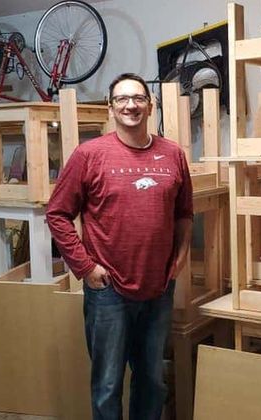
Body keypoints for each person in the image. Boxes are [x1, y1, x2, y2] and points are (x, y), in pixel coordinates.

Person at [46, 73, 193, 420]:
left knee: (152, 381)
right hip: (107, 289)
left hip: (158, 288)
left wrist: (182, 254)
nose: (131, 105)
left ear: (150, 105)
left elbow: (184, 213)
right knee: (108, 385)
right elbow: (57, 214)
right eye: (122, 99)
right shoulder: (89, 155)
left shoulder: (172, 154)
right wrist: (85, 267)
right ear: (111, 108)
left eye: (139, 98)